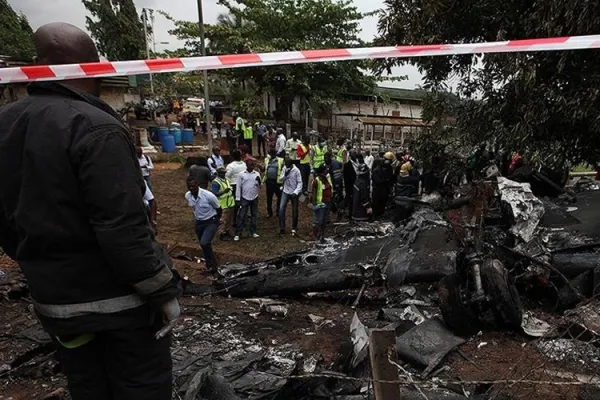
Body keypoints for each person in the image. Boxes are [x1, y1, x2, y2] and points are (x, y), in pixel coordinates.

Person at [0, 23, 180, 400]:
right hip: (119, 309)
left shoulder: (6, 124)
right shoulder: (96, 127)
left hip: (56, 304)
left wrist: (41, 263)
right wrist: (161, 291)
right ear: (93, 67)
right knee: (141, 388)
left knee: (87, 388)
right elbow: (121, 226)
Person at [185, 177, 222, 272]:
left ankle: (213, 265)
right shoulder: (188, 196)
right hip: (199, 222)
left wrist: (216, 221)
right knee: (205, 245)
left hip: (211, 221)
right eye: (189, 186)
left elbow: (218, 208)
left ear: (197, 185)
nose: (191, 188)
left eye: (193, 186)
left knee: (204, 242)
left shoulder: (209, 196)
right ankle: (210, 265)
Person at [235, 159, 261, 241]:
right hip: (244, 197)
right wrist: (238, 198)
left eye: (253, 165)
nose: (252, 167)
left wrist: (259, 181)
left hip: (254, 197)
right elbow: (238, 187)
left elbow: (259, 186)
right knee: (242, 215)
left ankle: (252, 231)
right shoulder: (241, 175)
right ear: (246, 166)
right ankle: (238, 233)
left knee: (254, 215)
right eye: (250, 165)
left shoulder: (257, 174)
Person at [279, 157, 303, 235]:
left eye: (288, 165)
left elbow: (300, 183)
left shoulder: (296, 170)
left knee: (295, 210)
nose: (286, 166)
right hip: (286, 191)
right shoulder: (284, 168)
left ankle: (294, 228)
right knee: (281, 209)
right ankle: (282, 227)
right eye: (286, 165)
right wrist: (285, 174)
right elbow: (281, 179)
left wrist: (296, 192)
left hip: (294, 193)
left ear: (291, 164)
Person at [211, 167, 235, 241]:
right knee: (223, 220)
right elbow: (214, 193)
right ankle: (222, 233)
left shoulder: (226, 179)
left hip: (230, 203)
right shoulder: (216, 182)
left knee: (229, 219)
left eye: (225, 172)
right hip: (223, 204)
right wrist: (224, 191)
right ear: (218, 173)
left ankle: (227, 231)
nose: (224, 174)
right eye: (222, 173)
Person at [310, 165, 333, 243]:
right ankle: (315, 236)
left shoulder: (327, 178)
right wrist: (314, 205)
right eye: (325, 170)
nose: (327, 171)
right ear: (322, 172)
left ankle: (322, 235)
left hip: (327, 202)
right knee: (318, 221)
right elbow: (313, 194)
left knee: (324, 221)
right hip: (320, 204)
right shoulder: (316, 181)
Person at [371, 152, 395, 217]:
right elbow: (373, 174)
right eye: (389, 161)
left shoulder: (389, 166)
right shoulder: (377, 163)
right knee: (376, 201)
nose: (390, 162)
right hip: (378, 186)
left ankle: (380, 214)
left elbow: (390, 177)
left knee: (383, 200)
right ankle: (374, 215)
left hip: (384, 187)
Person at [263, 149, 284, 218]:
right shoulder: (266, 160)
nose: (269, 155)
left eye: (271, 154)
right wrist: (260, 167)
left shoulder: (280, 160)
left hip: (277, 182)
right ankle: (269, 212)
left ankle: (278, 211)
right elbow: (264, 169)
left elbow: (283, 170)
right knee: (269, 198)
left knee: (280, 197)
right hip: (269, 182)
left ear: (274, 154)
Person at [325, 152, 345, 221]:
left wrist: (335, 189)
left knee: (337, 199)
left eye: (326, 159)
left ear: (329, 158)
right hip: (333, 184)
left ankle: (340, 213)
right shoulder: (329, 163)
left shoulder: (335, 164)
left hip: (337, 185)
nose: (325, 160)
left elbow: (337, 178)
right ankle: (338, 212)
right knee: (335, 200)